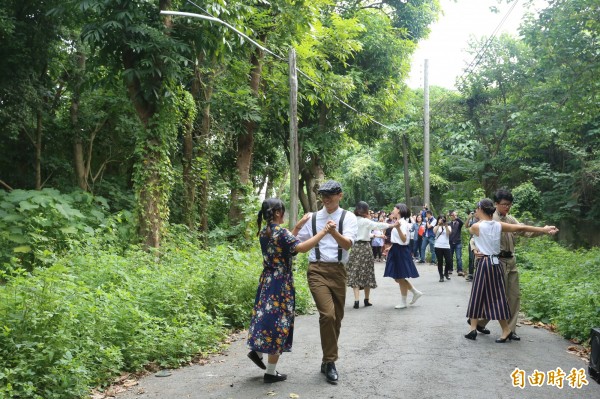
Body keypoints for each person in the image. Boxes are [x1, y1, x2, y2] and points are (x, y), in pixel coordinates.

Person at [247, 198, 333, 383]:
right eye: (283, 211)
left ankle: (258, 352)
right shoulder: (280, 232)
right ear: (278, 212)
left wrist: (300, 225)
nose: (284, 214)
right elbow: (299, 248)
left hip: (267, 280)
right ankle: (270, 372)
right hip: (281, 284)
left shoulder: (266, 231)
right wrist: (324, 232)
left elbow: (288, 245)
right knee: (279, 323)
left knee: (267, 319)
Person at [464, 198, 558, 342]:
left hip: (485, 263)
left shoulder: (476, 227)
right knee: (493, 296)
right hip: (496, 263)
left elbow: (470, 230)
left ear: (481, 210)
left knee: (481, 295)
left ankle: (502, 329)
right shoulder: (498, 225)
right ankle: (474, 329)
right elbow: (522, 228)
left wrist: (475, 245)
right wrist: (543, 229)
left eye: (477, 209)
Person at [296, 180, 358, 384]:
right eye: (323, 195)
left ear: (340, 195)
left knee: (336, 318)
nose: (326, 199)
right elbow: (299, 244)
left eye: (330, 194)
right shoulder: (313, 218)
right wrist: (298, 227)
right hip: (317, 270)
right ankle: (330, 361)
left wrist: (333, 232)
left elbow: (348, 244)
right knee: (327, 315)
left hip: (338, 271)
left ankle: (326, 361)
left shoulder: (348, 217)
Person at [347, 201, 397, 309]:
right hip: (365, 248)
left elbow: (361, 233)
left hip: (355, 248)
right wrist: (391, 225)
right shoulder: (366, 221)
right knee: (367, 272)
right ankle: (366, 300)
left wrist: (374, 236)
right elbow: (378, 225)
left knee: (355, 272)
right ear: (365, 210)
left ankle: (356, 301)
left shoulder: (352, 220)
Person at [383, 203, 423, 309]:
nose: (393, 210)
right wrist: (391, 247)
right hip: (396, 249)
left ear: (399, 210)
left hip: (401, 250)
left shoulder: (402, 223)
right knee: (398, 277)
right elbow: (398, 240)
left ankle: (404, 301)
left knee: (400, 277)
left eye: (394, 208)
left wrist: (399, 228)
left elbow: (404, 239)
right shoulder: (399, 222)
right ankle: (415, 292)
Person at [433, 214, 452, 282]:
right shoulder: (436, 226)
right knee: (440, 262)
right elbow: (434, 232)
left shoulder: (448, 226)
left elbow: (448, 233)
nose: (442, 220)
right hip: (438, 246)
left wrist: (446, 226)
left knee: (448, 261)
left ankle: (446, 273)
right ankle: (441, 276)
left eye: (443, 218)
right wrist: (438, 224)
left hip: (446, 246)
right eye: (440, 218)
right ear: (438, 219)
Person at [448, 210, 464, 276]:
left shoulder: (458, 223)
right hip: (450, 242)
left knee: (458, 257)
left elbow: (462, 222)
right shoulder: (449, 223)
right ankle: (450, 269)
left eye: (454, 215)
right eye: (452, 215)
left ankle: (459, 270)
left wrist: (456, 216)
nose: (453, 216)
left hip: (458, 242)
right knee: (450, 256)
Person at [465, 211, 478, 282]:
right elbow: (466, 226)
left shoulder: (482, 220)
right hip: (472, 240)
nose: (476, 214)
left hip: (479, 240)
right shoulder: (472, 220)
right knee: (471, 257)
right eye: (474, 213)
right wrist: (469, 218)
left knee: (478, 257)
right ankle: (470, 274)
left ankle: (477, 274)